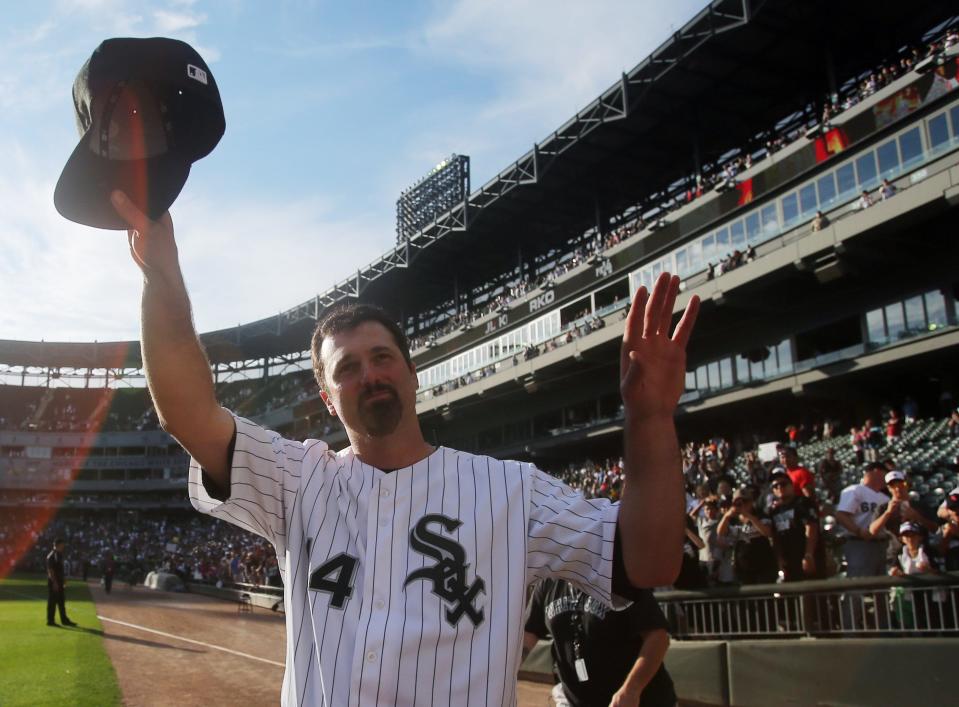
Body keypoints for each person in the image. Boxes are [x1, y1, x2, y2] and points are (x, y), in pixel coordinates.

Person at [110, 191, 701, 707]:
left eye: (382, 358)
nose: (369, 375)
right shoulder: (299, 481)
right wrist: (161, 276)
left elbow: (649, 562)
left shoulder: (511, 490)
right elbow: (187, 411)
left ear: (413, 375)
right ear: (327, 398)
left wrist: (649, 418)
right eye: (348, 369)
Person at [523, 578, 677, 707]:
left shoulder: (619, 577)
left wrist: (632, 689)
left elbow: (658, 638)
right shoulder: (548, 582)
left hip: (639, 700)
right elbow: (527, 636)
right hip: (580, 701)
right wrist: (504, 671)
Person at [835, 462, 890, 577]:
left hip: (882, 543)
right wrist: (859, 531)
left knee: (881, 586)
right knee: (860, 584)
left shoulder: (886, 498)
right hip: (859, 542)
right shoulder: (855, 490)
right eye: (885, 473)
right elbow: (841, 515)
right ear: (876, 471)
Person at [768, 471, 824, 581]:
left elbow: (811, 527)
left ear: (791, 485)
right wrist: (779, 559)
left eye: (783, 484)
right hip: (788, 561)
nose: (779, 487)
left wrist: (809, 554)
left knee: (813, 591)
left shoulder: (803, 503)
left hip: (807, 556)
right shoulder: (774, 511)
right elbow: (774, 537)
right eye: (775, 486)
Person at [717, 487, 776, 584]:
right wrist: (726, 516)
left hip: (763, 566)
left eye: (745, 501)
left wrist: (748, 515)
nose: (742, 505)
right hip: (742, 568)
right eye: (738, 502)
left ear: (751, 502)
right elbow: (720, 533)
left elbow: (767, 532)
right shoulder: (732, 519)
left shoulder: (761, 514)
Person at [46, 538, 77, 627]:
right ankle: (50, 621)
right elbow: (50, 571)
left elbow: (60, 570)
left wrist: (63, 580)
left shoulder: (59, 555)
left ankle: (64, 620)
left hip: (59, 582)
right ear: (58, 545)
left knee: (61, 602)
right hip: (54, 582)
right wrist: (55, 583)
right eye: (62, 545)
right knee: (52, 602)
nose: (63, 547)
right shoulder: (52, 556)